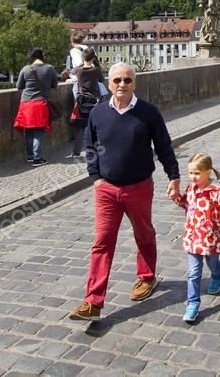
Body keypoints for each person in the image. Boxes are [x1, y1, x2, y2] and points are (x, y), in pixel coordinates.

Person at [70, 63, 181, 321]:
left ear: (134, 84)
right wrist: (95, 177)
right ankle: (93, 301)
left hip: (139, 187)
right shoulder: (98, 113)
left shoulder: (148, 112)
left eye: (127, 80)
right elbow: (90, 145)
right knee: (102, 242)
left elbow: (164, 146)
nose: (122, 85)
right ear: (109, 84)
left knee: (143, 233)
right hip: (107, 189)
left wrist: (174, 177)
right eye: (117, 80)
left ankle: (146, 276)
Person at [172, 152, 220, 324]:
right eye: (190, 173)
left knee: (212, 263)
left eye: (196, 173)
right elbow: (187, 206)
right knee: (194, 273)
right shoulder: (191, 189)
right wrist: (177, 198)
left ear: (208, 172)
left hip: (210, 240)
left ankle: (217, 276)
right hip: (193, 239)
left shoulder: (217, 192)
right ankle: (193, 304)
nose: (193, 177)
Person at [14, 48, 59, 166]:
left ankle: (30, 156)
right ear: (41, 56)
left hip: (26, 103)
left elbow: (19, 86)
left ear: (31, 57)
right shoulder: (50, 68)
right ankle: (37, 158)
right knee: (38, 130)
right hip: (40, 103)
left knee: (28, 130)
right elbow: (55, 85)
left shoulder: (26, 69)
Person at [68, 47, 104, 159]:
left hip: (81, 102)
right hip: (95, 101)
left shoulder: (78, 70)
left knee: (80, 128)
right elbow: (102, 80)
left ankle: (76, 152)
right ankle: (96, 150)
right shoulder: (96, 70)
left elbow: (69, 72)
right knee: (96, 127)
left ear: (82, 58)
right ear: (93, 58)